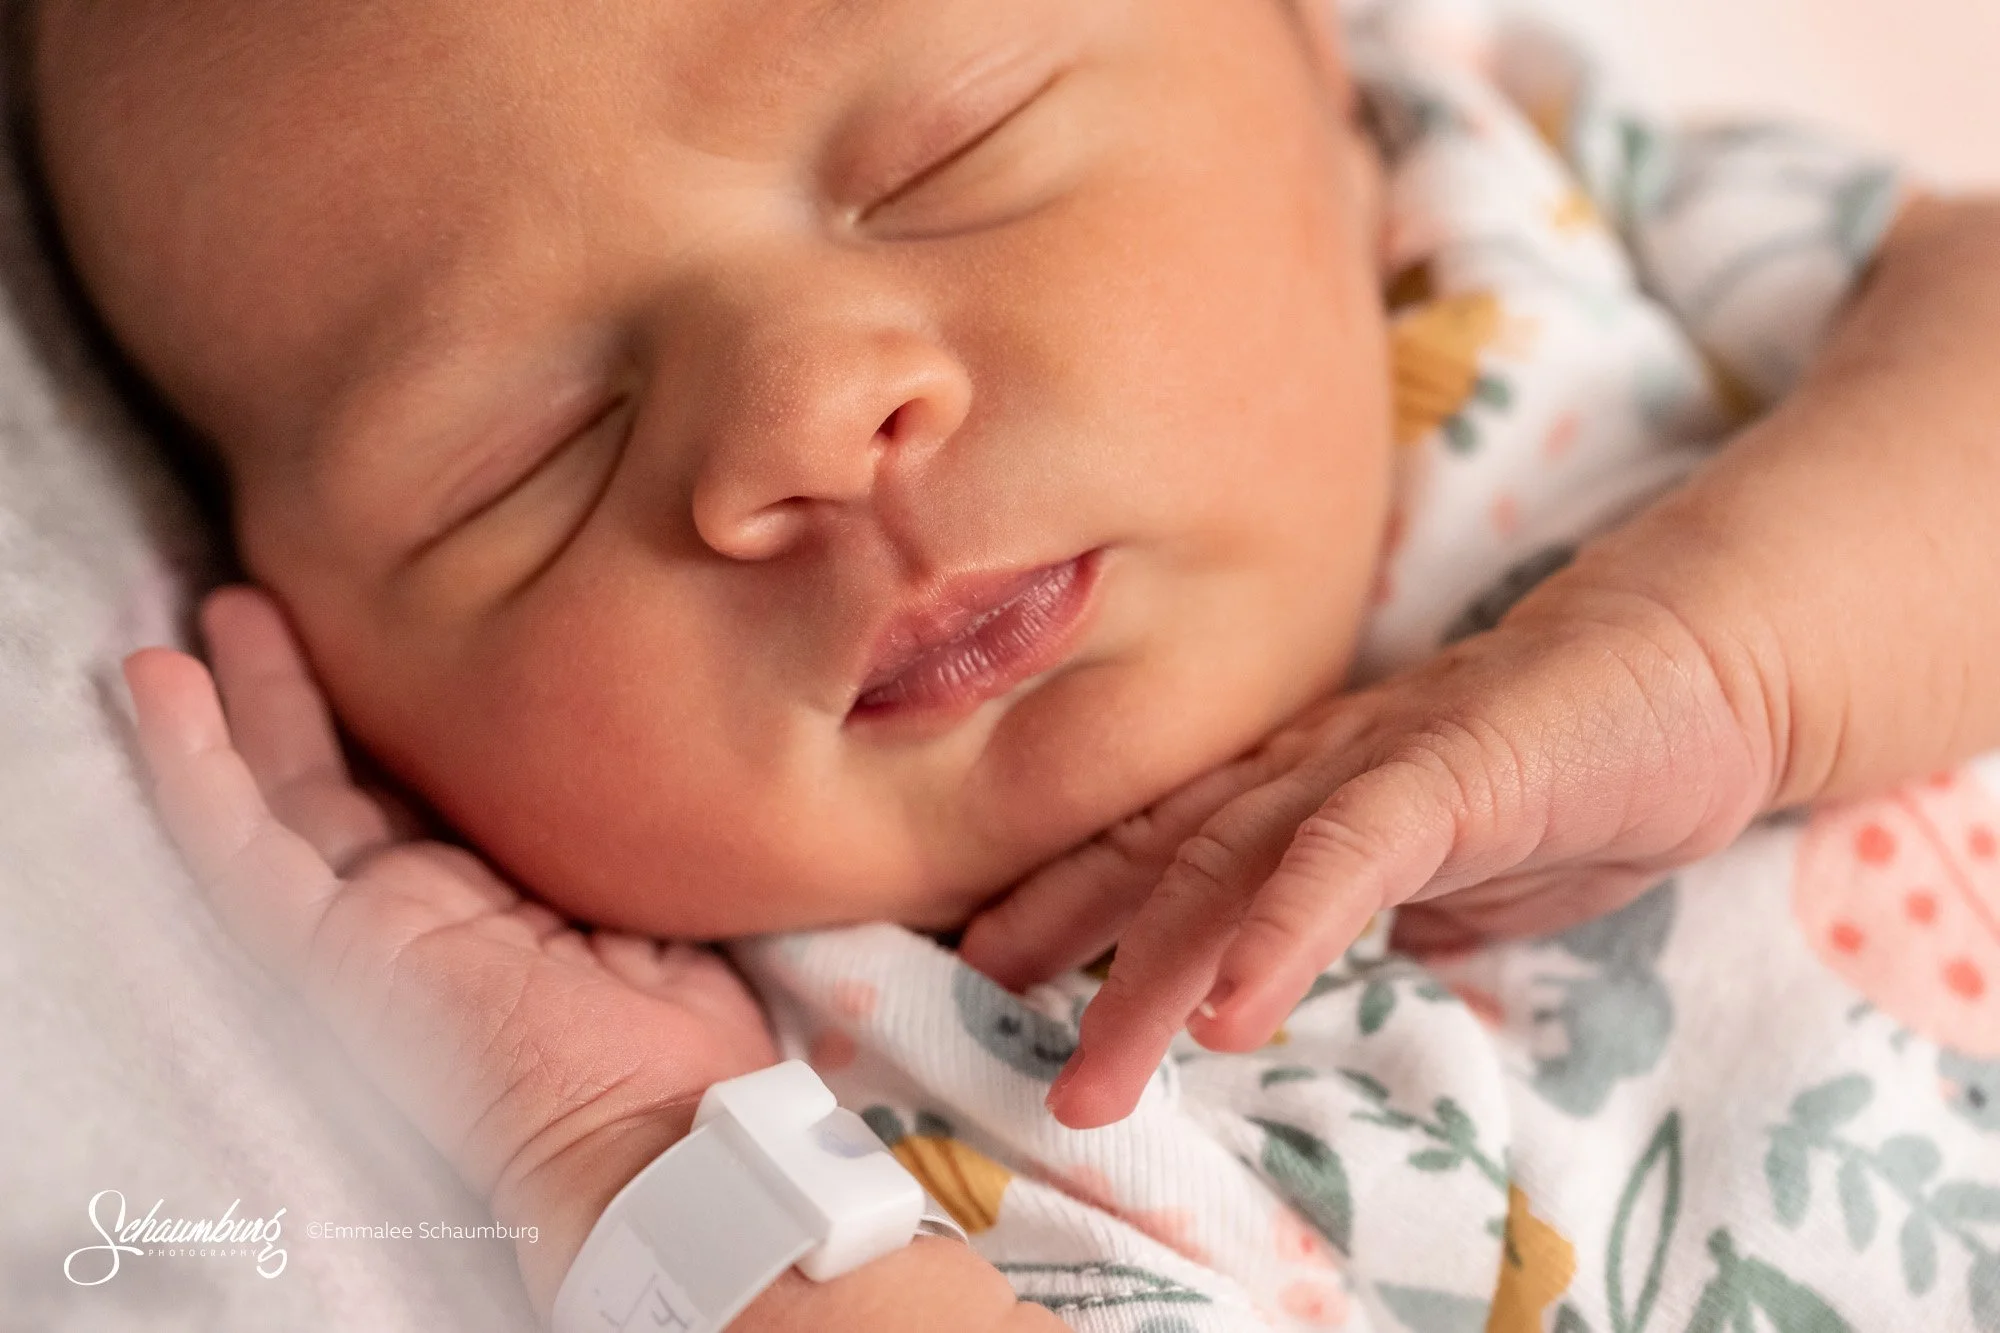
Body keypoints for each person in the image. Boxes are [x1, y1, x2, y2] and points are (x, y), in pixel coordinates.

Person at [23, 0, 2000, 1325]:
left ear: (1306, 56)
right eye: (514, 465)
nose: (802, 417)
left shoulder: (1512, 215)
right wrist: (622, 1156)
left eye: (944, 150)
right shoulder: (784, 1093)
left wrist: (1728, 659)